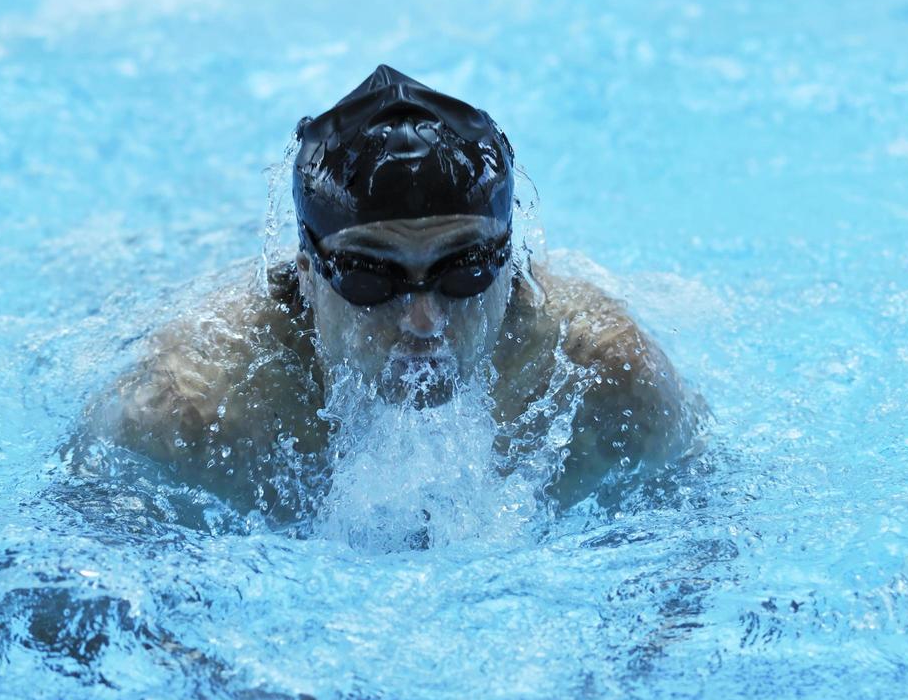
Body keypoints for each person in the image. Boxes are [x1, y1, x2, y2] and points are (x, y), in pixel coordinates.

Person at [87, 65, 702, 520]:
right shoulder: (192, 411)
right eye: (369, 278)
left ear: (509, 265)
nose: (423, 319)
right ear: (307, 272)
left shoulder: (605, 384)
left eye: (465, 270)